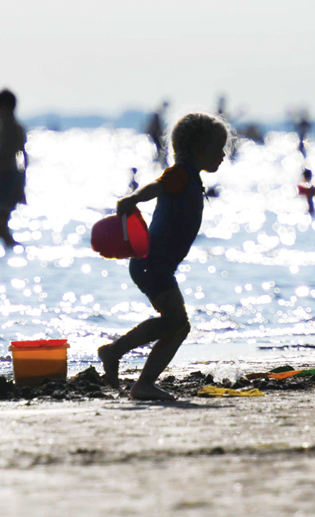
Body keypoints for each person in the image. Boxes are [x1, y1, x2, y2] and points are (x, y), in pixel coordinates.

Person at [98, 112, 229, 401]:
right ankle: (118, 356)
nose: (223, 154)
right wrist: (134, 199)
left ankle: (140, 380)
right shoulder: (180, 174)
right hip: (152, 263)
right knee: (175, 321)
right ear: (199, 149)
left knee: (178, 325)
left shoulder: (192, 178)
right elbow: (155, 186)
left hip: (157, 265)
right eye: (218, 148)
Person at [0, 89, 27, 248]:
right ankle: (11, 245)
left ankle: (13, 245)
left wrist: (20, 183)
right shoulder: (6, 125)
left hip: (8, 178)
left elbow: (14, 154)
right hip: (8, 177)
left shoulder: (11, 127)